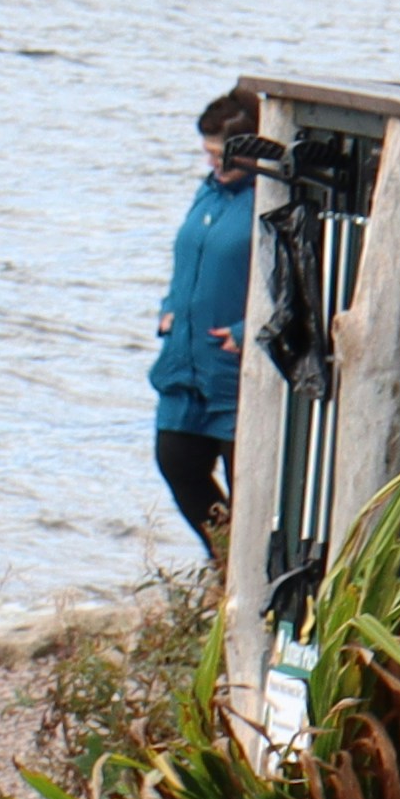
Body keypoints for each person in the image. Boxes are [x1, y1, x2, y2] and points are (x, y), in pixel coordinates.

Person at [151, 90, 257, 558]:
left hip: (234, 373)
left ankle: (246, 578)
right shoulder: (209, 190)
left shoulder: (269, 200)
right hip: (185, 363)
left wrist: (245, 330)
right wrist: (169, 307)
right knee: (177, 462)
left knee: (249, 488)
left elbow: (298, 283)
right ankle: (226, 563)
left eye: (219, 153)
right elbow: (189, 256)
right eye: (207, 152)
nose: (211, 162)